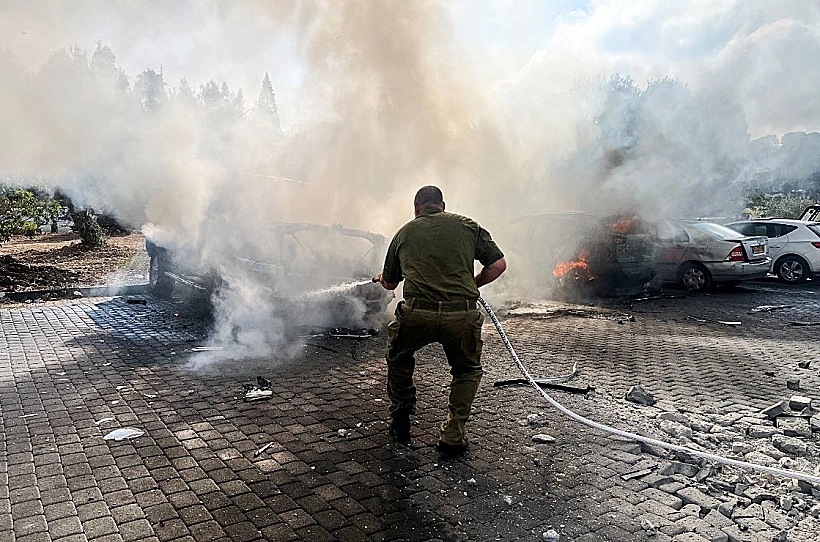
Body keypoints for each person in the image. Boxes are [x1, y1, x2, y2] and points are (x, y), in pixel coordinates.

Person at [372, 185, 507, 456]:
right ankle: (453, 434)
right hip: (461, 316)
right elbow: (497, 265)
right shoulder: (468, 226)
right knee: (466, 370)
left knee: (399, 358)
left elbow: (390, 283)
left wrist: (381, 278)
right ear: (443, 206)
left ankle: (401, 419)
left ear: (416, 208)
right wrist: (473, 283)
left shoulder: (404, 233)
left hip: (417, 315)